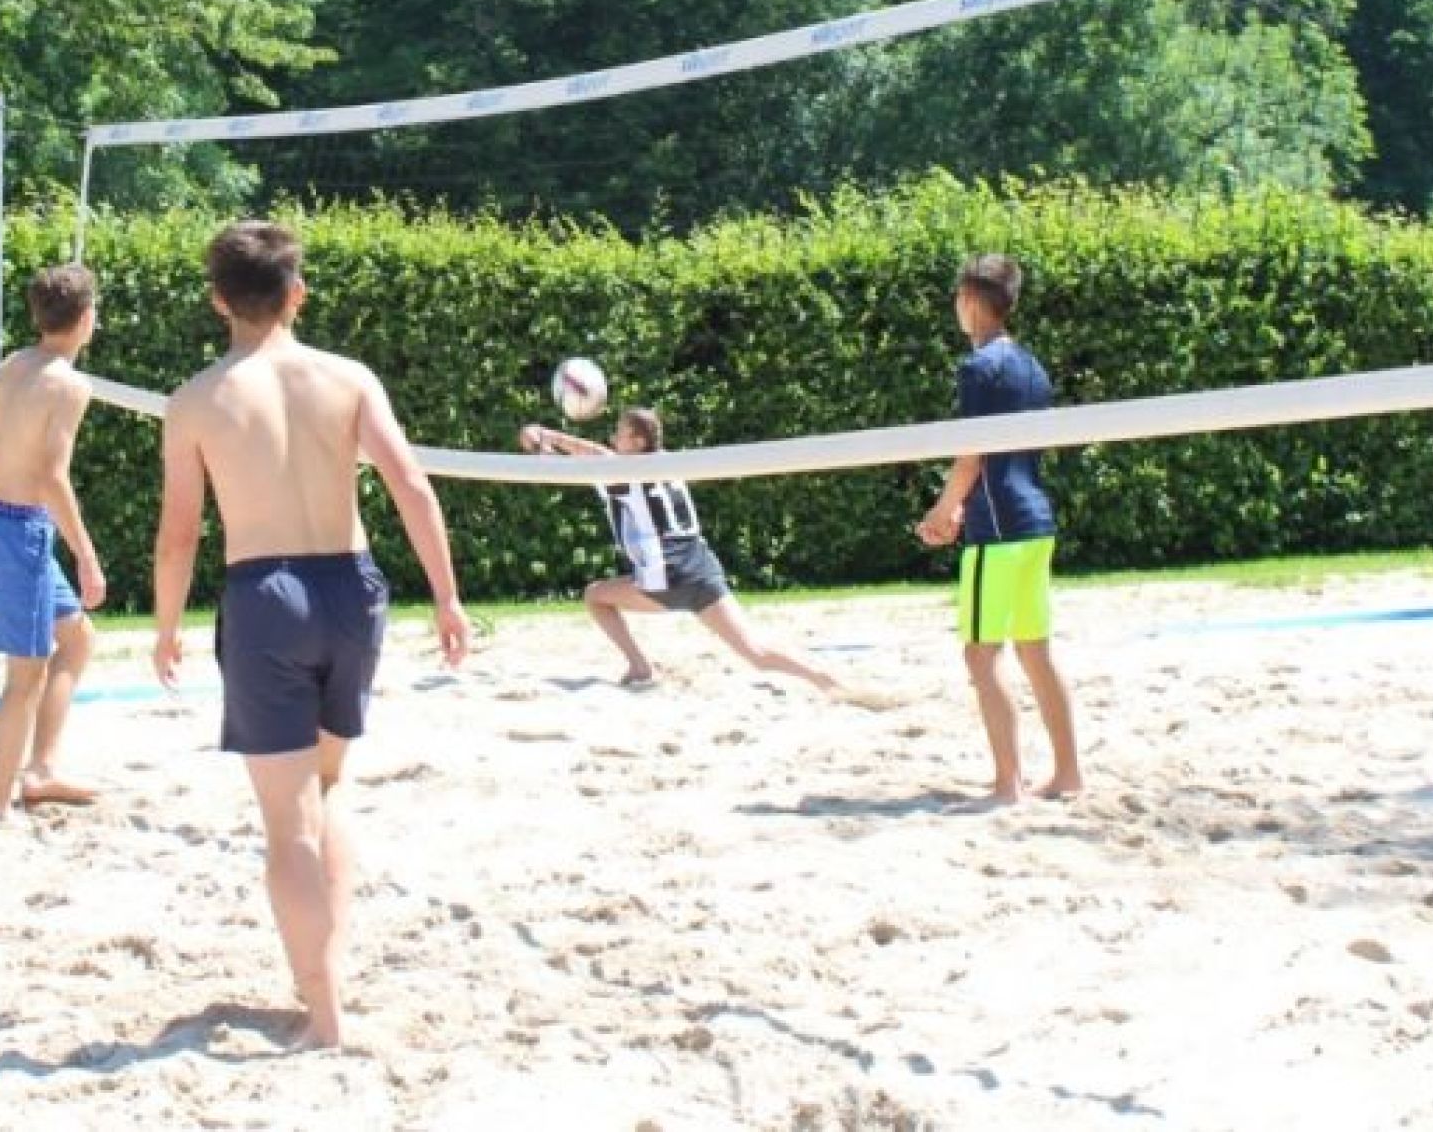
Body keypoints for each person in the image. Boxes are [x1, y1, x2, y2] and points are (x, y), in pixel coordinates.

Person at [152, 220, 472, 1054]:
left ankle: (323, 1013)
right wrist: (447, 597)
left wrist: (166, 626)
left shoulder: (195, 400)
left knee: (287, 823)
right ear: (296, 293)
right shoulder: (348, 377)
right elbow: (410, 486)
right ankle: (327, 975)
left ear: (218, 300)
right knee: (326, 788)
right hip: (351, 591)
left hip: (266, 595)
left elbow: (179, 534)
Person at [520, 406, 856, 698]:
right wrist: (551, 436)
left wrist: (542, 444)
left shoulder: (624, 475)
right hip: (701, 568)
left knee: (596, 596)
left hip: (667, 576)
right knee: (755, 652)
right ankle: (823, 680)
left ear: (638, 442)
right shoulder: (667, 462)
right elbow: (597, 455)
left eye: (620, 433)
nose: (612, 439)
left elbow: (583, 463)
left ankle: (639, 667)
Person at [914, 253, 1083, 808]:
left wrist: (945, 510)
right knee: (1035, 651)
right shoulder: (1032, 366)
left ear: (969, 300)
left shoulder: (978, 368)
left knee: (981, 656)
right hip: (1034, 520)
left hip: (1000, 529)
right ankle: (1067, 774)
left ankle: (1008, 784)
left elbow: (973, 454)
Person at [0, 261, 108, 820]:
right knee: (26, 673)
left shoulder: (13, 365)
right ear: (86, 318)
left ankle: (41, 770)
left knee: (78, 639)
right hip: (21, 530)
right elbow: (51, 477)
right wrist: (87, 555)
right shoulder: (71, 385)